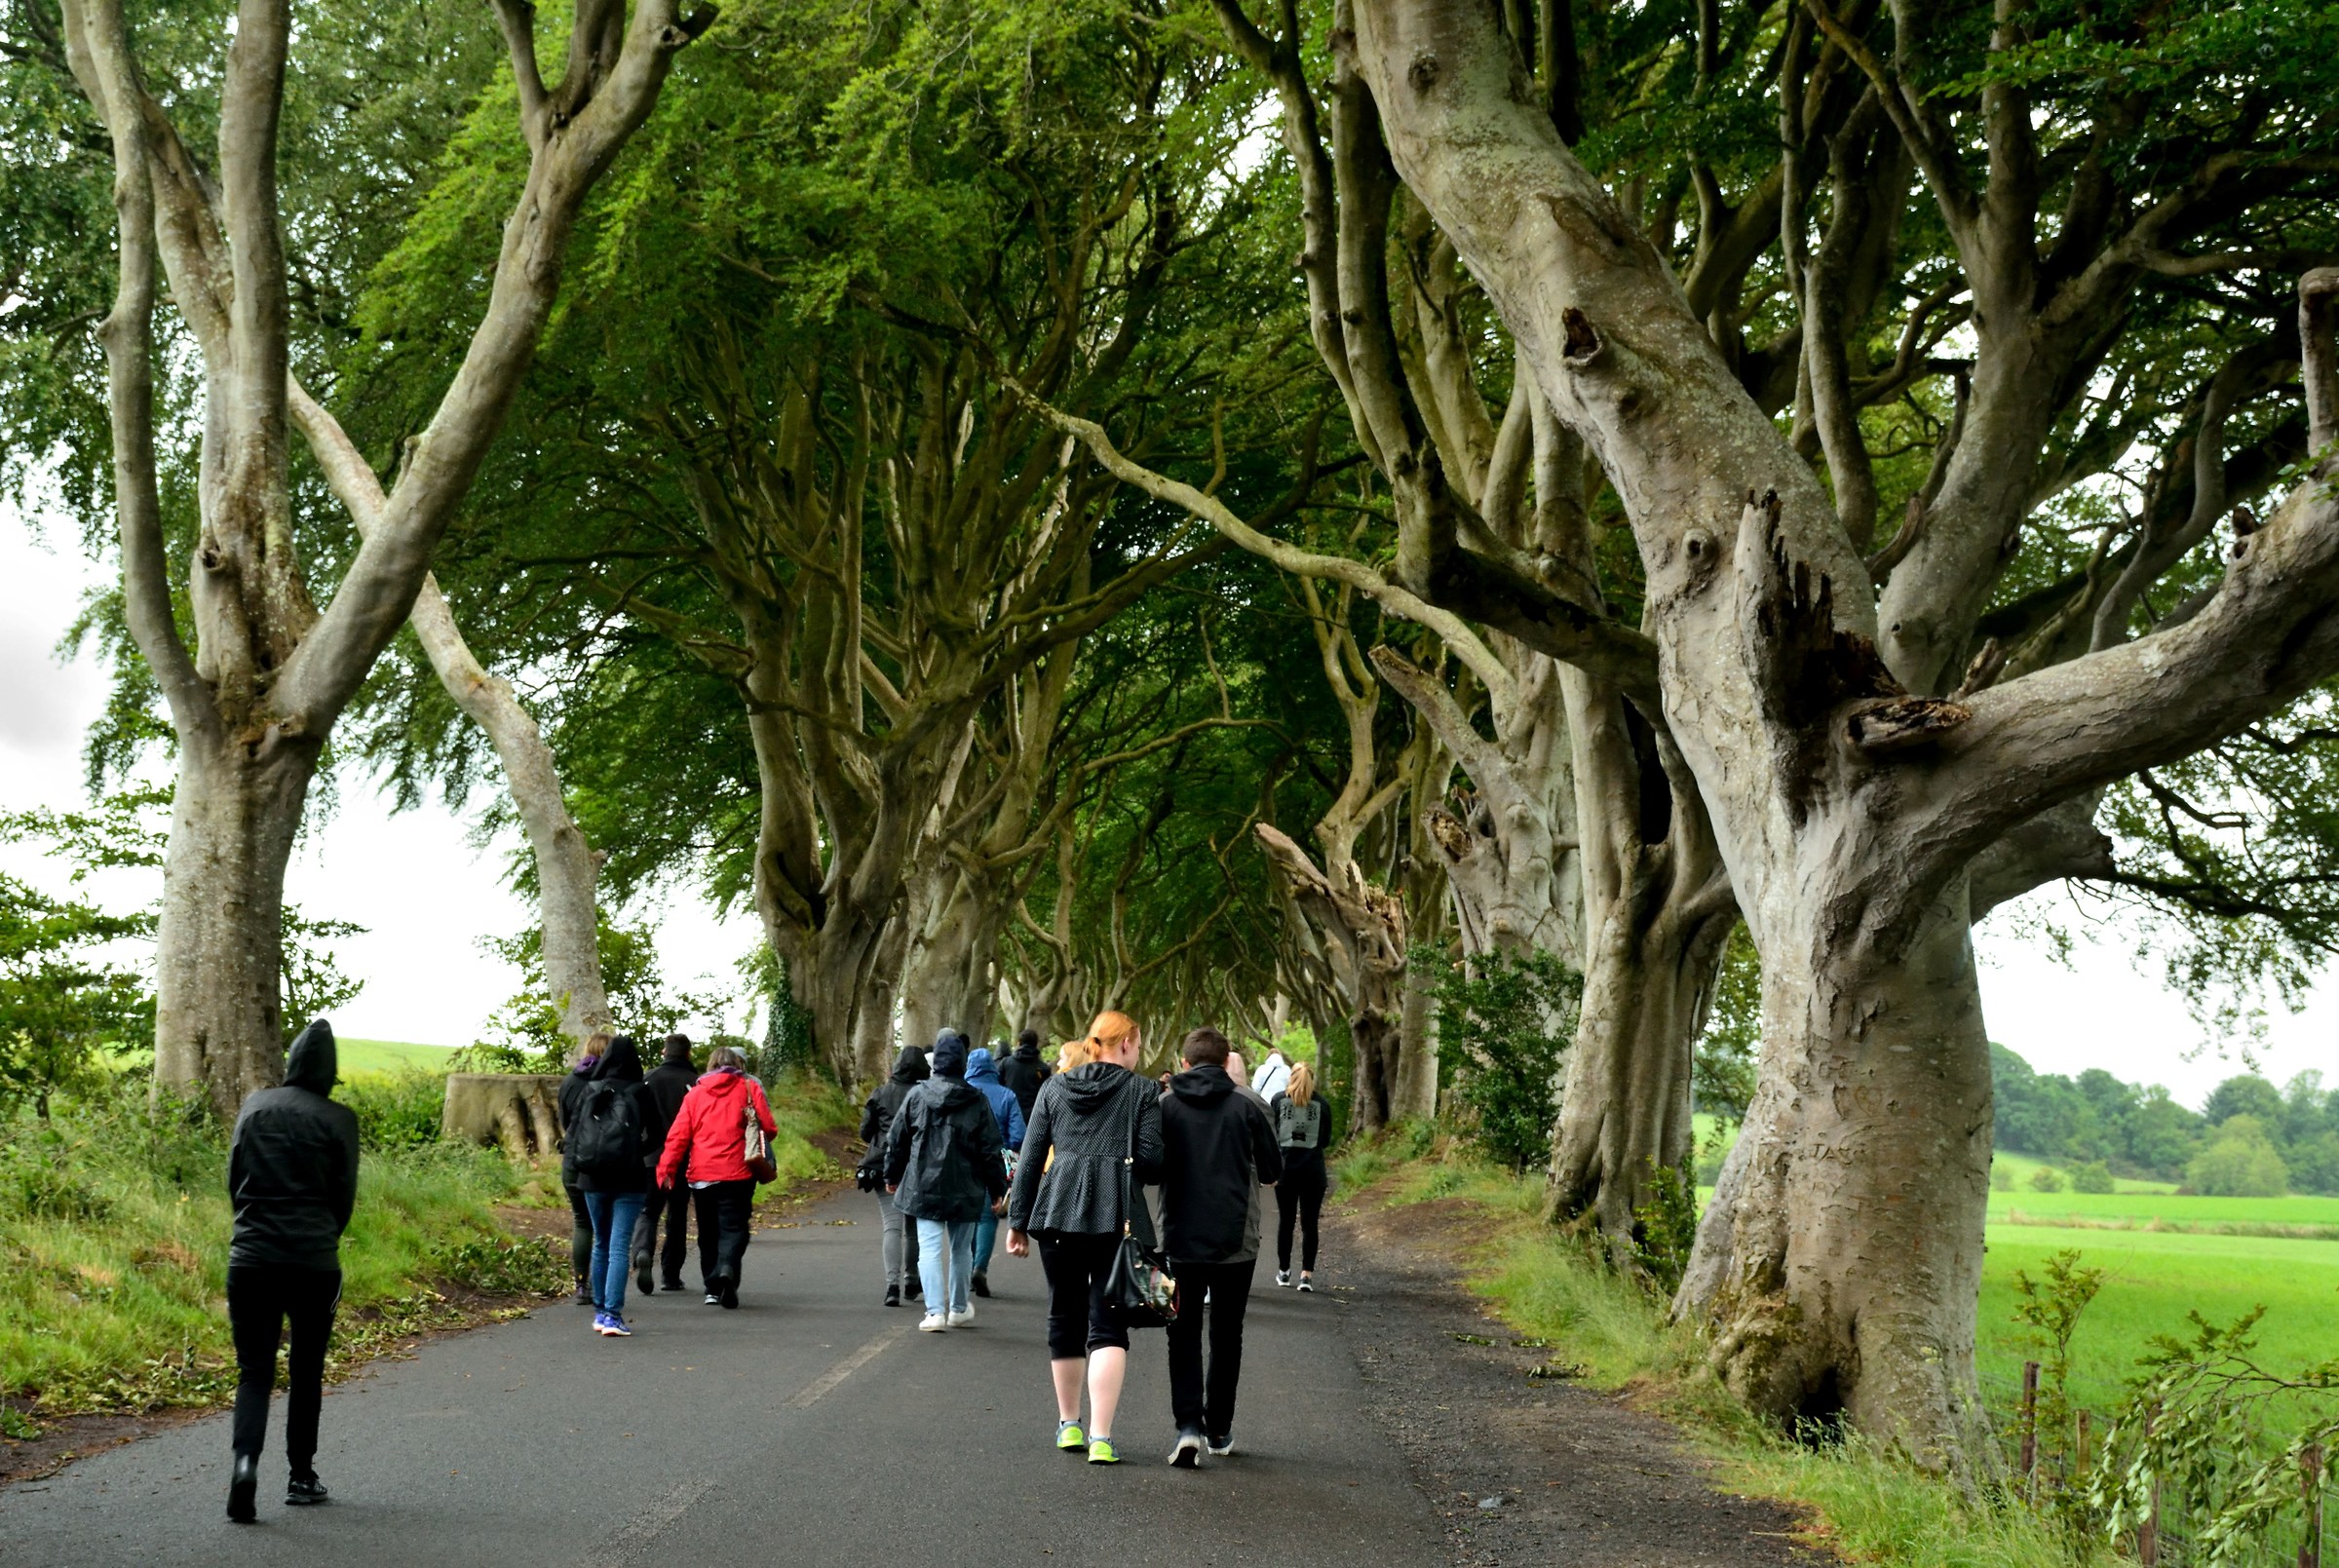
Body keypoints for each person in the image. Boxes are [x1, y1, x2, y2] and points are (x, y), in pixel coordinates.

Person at [1004, 1011, 1165, 1466]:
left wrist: (1018, 1222)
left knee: (1064, 1315)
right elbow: (1152, 1164)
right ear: (1129, 1043)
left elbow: (1031, 1158)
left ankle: (1068, 1424)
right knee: (1108, 1324)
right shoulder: (1143, 1091)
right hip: (1117, 1217)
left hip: (1056, 1212)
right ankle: (1101, 1437)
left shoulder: (1054, 1087)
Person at [223, 1018, 361, 1521]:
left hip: (251, 1258)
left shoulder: (255, 1106)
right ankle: (302, 1476)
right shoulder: (339, 1118)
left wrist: (249, 1227)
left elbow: (234, 1179)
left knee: (254, 1370)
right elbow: (342, 1198)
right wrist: (323, 1237)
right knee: (306, 1370)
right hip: (313, 1262)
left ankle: (244, 1465)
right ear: (329, 1072)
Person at [1154, 1027, 1283, 1466]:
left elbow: (1151, 1171)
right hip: (1236, 1240)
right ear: (1228, 1061)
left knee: (1182, 1331)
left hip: (1179, 1237)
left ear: (1184, 1063)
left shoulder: (1164, 1105)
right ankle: (1220, 1428)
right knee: (1228, 1334)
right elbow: (1271, 1170)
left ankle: (1187, 1426)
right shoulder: (1248, 1104)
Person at [884, 1030, 1009, 1332]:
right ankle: (959, 1308)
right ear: (963, 1063)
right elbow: (990, 1149)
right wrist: (997, 1189)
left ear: (935, 1064)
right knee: (961, 1249)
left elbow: (897, 1139)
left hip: (923, 1184)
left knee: (928, 1248)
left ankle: (934, 1312)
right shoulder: (977, 1100)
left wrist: (892, 1174)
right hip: (966, 1187)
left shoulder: (917, 1095)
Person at [656, 1045, 778, 1310]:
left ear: (710, 1066)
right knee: (735, 1228)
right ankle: (727, 1269)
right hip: (739, 1173)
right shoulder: (749, 1089)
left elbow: (678, 1137)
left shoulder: (695, 1095)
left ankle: (712, 1288)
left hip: (702, 1174)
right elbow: (769, 1128)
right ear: (737, 1065)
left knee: (708, 1231)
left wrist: (665, 1169)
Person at [573, 1035, 668, 1336]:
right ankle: (613, 1314)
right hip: (629, 1178)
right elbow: (657, 1136)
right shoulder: (641, 1091)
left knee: (601, 1242)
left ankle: (600, 1311)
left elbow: (574, 1131)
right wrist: (633, 1153)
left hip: (591, 1178)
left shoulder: (591, 1088)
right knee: (619, 1246)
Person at [859, 1044, 931, 1306]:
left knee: (892, 1226)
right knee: (913, 1228)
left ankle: (892, 1286)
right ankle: (912, 1278)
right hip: (917, 1166)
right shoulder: (925, 1093)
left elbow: (865, 1132)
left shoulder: (880, 1093)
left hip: (882, 1164)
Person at [633, 1034, 700, 1296]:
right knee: (677, 1214)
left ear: (664, 1052)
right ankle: (670, 1275)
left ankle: (642, 1251)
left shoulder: (647, 1079)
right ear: (688, 1053)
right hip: (683, 1158)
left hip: (649, 1157)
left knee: (648, 1211)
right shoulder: (695, 1083)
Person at [964, 1044, 1027, 1296]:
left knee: (968, 1216)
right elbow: (1019, 1134)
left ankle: (968, 1266)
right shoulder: (1006, 1095)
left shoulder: (963, 1092)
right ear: (993, 1068)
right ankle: (980, 1267)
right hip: (997, 1160)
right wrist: (1008, 1150)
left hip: (966, 1160)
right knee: (988, 1217)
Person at [556, 1033, 610, 1306]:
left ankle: (581, 1284)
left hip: (574, 1161)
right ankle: (605, 1287)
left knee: (582, 1223)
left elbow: (565, 1122)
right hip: (605, 1164)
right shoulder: (613, 1083)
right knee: (606, 1226)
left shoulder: (569, 1081)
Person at [1272, 1061, 1330, 1291]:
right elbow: (1325, 1140)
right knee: (1310, 1223)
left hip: (1286, 1171)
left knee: (1286, 1222)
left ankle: (1284, 1272)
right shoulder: (1322, 1104)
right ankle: (1306, 1275)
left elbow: (1272, 1132)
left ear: (1290, 1077)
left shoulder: (1278, 1100)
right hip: (1313, 1171)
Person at [995, 1028, 1052, 1120]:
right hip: (1034, 1116)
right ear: (1036, 1044)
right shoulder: (1044, 1068)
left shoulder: (1006, 1063)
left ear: (1018, 1043)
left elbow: (998, 1085)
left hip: (1009, 1113)